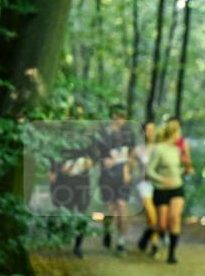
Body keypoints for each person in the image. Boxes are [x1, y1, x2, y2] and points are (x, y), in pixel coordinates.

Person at [96, 105, 136, 254]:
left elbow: (132, 153)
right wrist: (104, 161)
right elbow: (98, 155)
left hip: (122, 178)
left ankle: (121, 241)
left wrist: (127, 169)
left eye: (123, 116)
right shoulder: (103, 134)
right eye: (118, 116)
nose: (120, 119)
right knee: (110, 210)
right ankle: (107, 231)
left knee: (122, 207)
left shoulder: (129, 134)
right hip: (107, 177)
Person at [147, 119, 187, 264]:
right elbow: (150, 170)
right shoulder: (159, 149)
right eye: (179, 132)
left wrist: (184, 168)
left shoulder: (177, 150)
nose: (180, 136)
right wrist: (161, 179)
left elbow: (179, 169)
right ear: (174, 133)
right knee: (162, 224)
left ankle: (172, 254)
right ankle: (149, 234)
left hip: (177, 188)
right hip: (161, 189)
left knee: (175, 218)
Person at [48, 139, 94, 258]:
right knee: (65, 211)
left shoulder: (88, 139)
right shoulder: (62, 136)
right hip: (65, 183)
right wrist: (54, 171)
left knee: (82, 215)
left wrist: (90, 162)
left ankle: (78, 246)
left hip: (82, 184)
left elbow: (94, 159)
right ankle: (60, 239)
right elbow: (53, 157)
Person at [135, 122, 161, 256]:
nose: (150, 132)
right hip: (144, 184)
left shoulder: (160, 148)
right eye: (148, 130)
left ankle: (152, 240)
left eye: (153, 129)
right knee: (152, 214)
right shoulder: (138, 149)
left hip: (159, 185)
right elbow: (132, 167)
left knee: (155, 215)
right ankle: (152, 240)